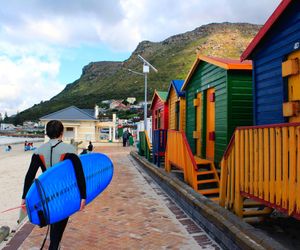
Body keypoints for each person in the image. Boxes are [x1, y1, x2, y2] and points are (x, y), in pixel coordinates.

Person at [21, 120, 86, 250]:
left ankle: (54, 244)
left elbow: (29, 176)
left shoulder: (38, 151)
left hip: (47, 193)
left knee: (53, 218)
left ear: (47, 133)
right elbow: (79, 174)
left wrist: (24, 197)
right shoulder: (70, 150)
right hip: (64, 192)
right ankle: (54, 246)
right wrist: (83, 196)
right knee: (60, 220)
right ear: (61, 133)